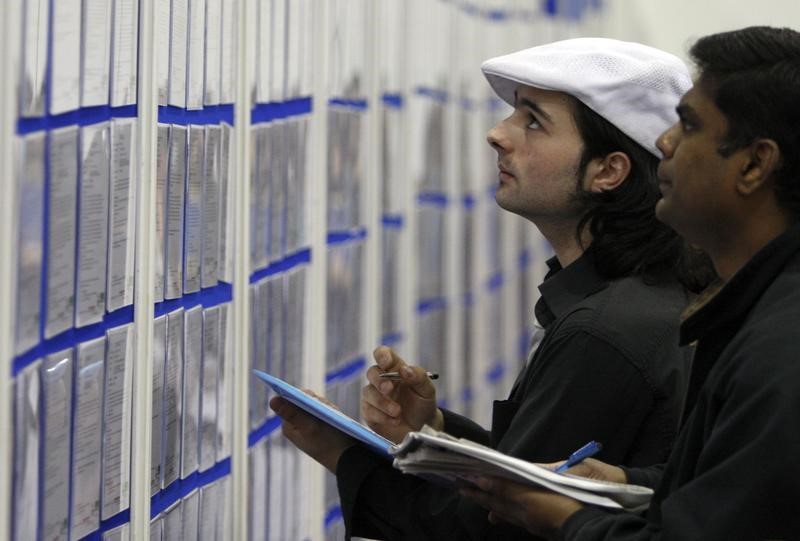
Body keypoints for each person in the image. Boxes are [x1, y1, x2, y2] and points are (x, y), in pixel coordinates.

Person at [271, 38, 713, 540]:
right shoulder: (628, 298)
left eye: (533, 121)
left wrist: (341, 453)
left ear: (608, 171)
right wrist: (435, 430)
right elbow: (534, 474)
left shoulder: (606, 331)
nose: (498, 134)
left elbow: (494, 527)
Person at [459, 26, 800, 540]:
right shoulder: (759, 311)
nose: (665, 141)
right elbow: (730, 497)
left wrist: (567, 519)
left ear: (755, 164)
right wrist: (627, 485)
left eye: (688, 126)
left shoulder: (779, 346)